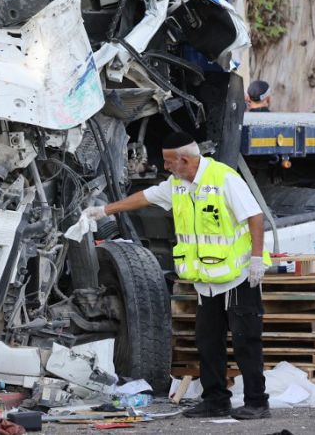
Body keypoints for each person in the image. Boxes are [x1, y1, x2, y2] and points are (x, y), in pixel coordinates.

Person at [81, 132, 270, 420]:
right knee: (208, 343)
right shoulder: (178, 185)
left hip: (238, 277)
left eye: (169, 162)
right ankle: (216, 400)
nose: (165, 167)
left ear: (184, 160)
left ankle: (257, 402)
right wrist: (104, 210)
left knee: (246, 341)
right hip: (206, 282)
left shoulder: (224, 179)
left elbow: (255, 217)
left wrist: (256, 259)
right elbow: (144, 197)